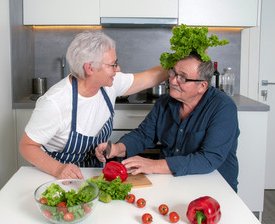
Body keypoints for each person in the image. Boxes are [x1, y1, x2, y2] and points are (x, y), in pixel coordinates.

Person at [19, 31, 168, 180]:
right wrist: (59, 169)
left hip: (94, 173)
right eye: (112, 65)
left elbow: (149, 77)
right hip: (57, 177)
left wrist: (176, 62)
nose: (118, 69)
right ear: (89, 68)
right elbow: (27, 146)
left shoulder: (110, 85)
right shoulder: (54, 103)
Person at [96, 52, 240, 192]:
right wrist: (117, 148)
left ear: (202, 86)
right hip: (172, 182)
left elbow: (208, 159)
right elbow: (144, 135)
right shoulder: (165, 103)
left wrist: (153, 165)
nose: (172, 81)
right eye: (173, 73)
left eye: (182, 78)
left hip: (215, 186)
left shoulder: (223, 107)